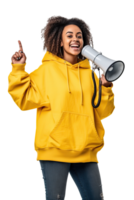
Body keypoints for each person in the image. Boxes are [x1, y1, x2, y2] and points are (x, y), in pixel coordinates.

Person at [8, 14, 115, 200]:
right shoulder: (45, 71)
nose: (75, 39)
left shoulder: (92, 75)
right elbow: (24, 101)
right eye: (70, 35)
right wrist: (19, 69)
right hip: (54, 150)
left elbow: (104, 112)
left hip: (86, 151)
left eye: (79, 36)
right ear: (59, 41)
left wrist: (105, 87)